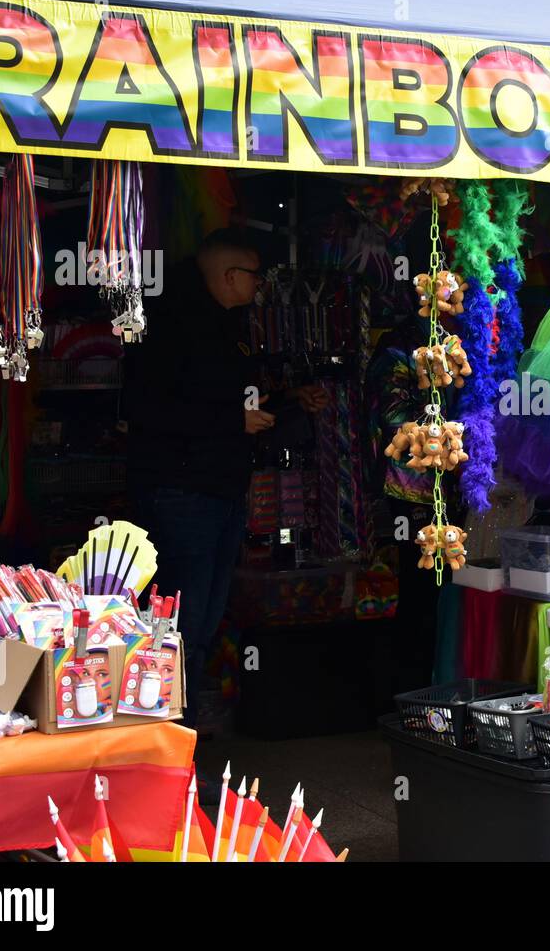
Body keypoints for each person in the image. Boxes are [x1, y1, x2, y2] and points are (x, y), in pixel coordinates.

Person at [124, 228, 328, 729]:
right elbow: (144, 411)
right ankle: (173, 732)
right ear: (230, 275)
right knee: (181, 620)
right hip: (182, 492)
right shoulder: (171, 324)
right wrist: (232, 421)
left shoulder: (226, 326)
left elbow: (229, 405)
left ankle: (182, 726)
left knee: (206, 617)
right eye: (256, 276)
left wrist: (287, 403)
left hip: (221, 490)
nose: (261, 286)